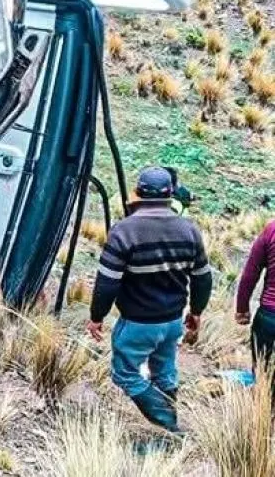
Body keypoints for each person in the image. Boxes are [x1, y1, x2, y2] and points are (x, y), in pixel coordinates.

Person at [87, 166, 212, 433]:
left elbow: (107, 283)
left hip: (137, 322)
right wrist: (196, 311)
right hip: (172, 322)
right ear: (171, 193)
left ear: (139, 192)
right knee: (164, 370)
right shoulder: (189, 230)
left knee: (125, 374)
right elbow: (203, 278)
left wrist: (97, 316)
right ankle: (170, 418)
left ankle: (167, 422)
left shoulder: (124, 231)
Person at [234, 218, 275, 373]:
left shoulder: (271, 229)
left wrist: (242, 309)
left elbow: (250, 275)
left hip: (270, 318)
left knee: (262, 375)